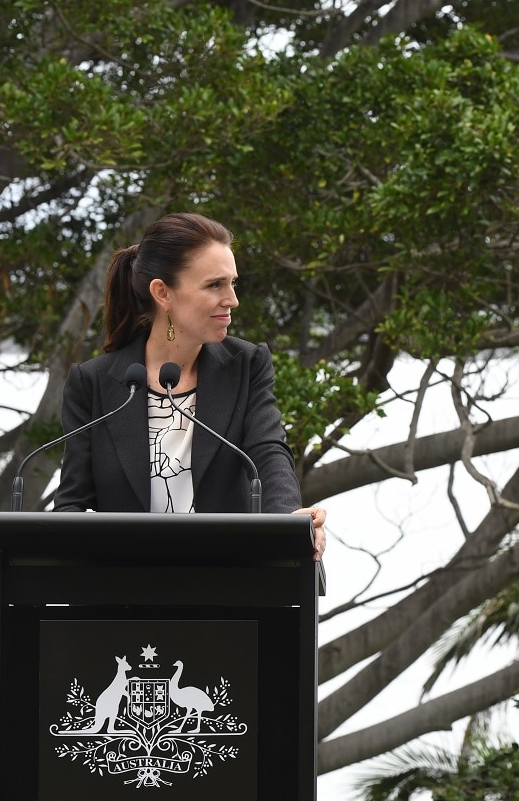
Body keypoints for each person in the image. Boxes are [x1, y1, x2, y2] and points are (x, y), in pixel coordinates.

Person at [53, 212, 327, 560]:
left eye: (233, 283)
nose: (232, 300)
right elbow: (72, 504)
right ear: (163, 293)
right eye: (215, 285)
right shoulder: (92, 383)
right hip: (124, 592)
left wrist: (289, 518)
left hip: (227, 586)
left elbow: (269, 450)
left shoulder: (247, 365)